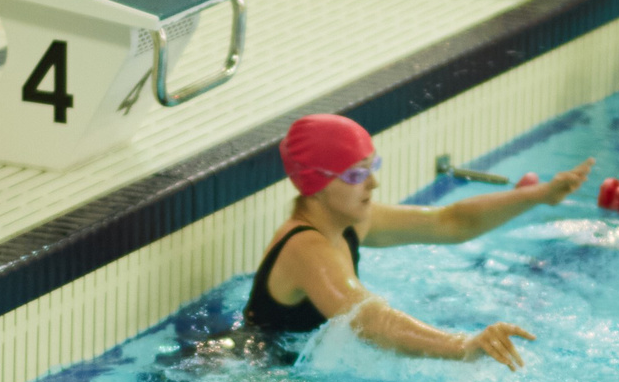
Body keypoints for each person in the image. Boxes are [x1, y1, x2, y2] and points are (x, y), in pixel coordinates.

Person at [235, 115, 594, 369]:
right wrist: (462, 346)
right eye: (356, 175)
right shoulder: (307, 250)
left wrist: (539, 196)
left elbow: (449, 222)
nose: (372, 184)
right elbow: (369, 319)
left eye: (372, 168)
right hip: (257, 373)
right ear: (316, 184)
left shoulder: (348, 222)